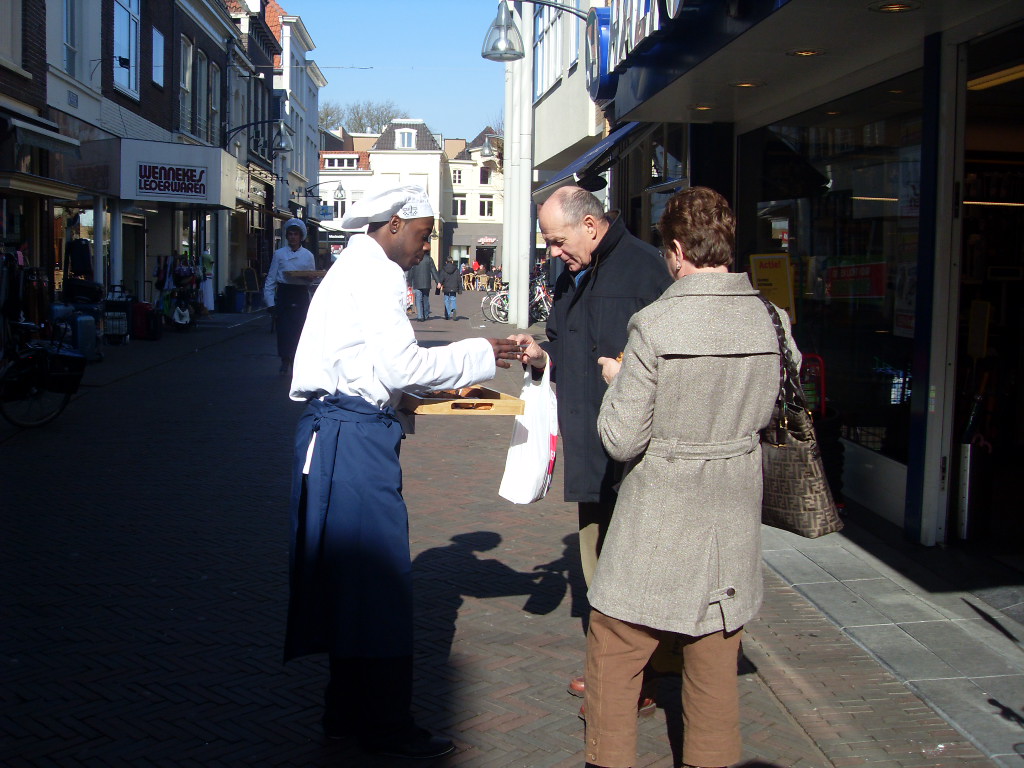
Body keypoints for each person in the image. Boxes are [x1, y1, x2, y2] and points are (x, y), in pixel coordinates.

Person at [283, 184, 522, 761]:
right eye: (422, 233)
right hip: (352, 441)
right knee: (383, 586)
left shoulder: (352, 266)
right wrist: (482, 351)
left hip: (332, 434)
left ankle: (342, 716)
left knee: (350, 585)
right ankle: (387, 726)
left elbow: (372, 368)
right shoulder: (378, 273)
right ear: (393, 224)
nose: (426, 246)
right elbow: (402, 365)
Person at [583, 187, 801, 768]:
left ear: (677, 249)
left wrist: (617, 379)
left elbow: (622, 438)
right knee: (714, 670)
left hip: (659, 514)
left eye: (667, 254)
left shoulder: (656, 326)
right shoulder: (772, 322)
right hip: (730, 515)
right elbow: (782, 401)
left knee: (615, 650)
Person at [508, 185, 671, 699]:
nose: (554, 253)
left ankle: (629, 678)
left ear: (592, 227)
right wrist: (541, 354)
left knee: (636, 568)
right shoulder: (573, 273)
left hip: (638, 453)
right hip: (590, 447)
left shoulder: (648, 269)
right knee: (597, 565)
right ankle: (623, 671)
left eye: (558, 241)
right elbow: (564, 339)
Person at [264, 218, 316, 374]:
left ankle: (297, 360)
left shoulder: (308, 256)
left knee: (300, 330)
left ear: (301, 237)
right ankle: (285, 359)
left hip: (300, 295)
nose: (293, 237)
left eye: (296, 234)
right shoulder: (279, 254)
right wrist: (270, 303)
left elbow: (311, 280)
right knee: (284, 330)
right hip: (285, 294)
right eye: (290, 234)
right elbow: (271, 279)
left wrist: (307, 278)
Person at [406, 248, 440, 321]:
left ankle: (420, 316)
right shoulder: (429, 259)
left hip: (417, 282)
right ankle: (426, 314)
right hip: (426, 283)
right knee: (425, 299)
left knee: (418, 299)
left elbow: (411, 271)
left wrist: (409, 282)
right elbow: (433, 270)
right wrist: (438, 282)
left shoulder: (415, 259)